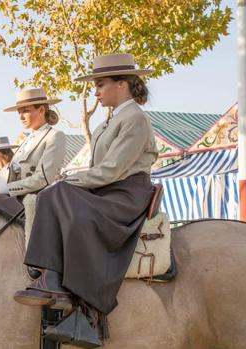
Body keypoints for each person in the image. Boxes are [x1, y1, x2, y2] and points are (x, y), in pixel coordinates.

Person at [13, 53, 159, 347]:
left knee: (55, 192)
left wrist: (71, 180)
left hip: (125, 195)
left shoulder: (135, 119)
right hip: (110, 188)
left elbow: (113, 169)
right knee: (54, 194)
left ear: (122, 84)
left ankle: (67, 291)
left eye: (100, 85)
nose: (96, 92)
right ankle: (52, 277)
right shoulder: (113, 119)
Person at [0, 88, 67, 216]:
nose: (20, 117)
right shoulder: (26, 140)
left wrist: (1, 189)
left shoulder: (54, 136)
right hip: (18, 201)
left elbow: (42, 179)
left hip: (37, 205)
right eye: (19, 112)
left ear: (41, 110)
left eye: (25, 111)